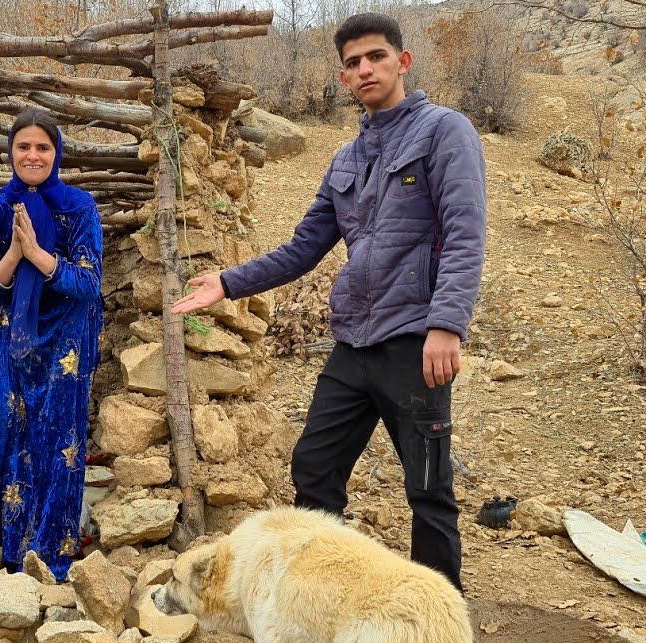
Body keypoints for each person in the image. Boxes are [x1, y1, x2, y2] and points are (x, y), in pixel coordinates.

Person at [173, 13, 486, 591]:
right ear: (343, 77)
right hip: (354, 344)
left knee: (428, 489)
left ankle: (440, 626)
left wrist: (448, 325)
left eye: (375, 57)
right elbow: (304, 248)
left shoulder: (446, 132)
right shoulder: (345, 159)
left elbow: (466, 233)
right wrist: (229, 282)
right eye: (352, 63)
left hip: (415, 341)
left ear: (402, 61)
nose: (364, 69)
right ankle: (322, 602)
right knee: (314, 470)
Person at [0, 109, 104, 581]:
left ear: (57, 153)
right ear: (10, 153)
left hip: (64, 340)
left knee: (54, 438)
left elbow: (88, 282)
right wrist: (13, 254)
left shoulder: (79, 207)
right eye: (24, 146)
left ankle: (46, 552)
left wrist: (38, 255)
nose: (33, 155)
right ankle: (2, 538)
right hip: (10, 336)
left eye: (43, 147)